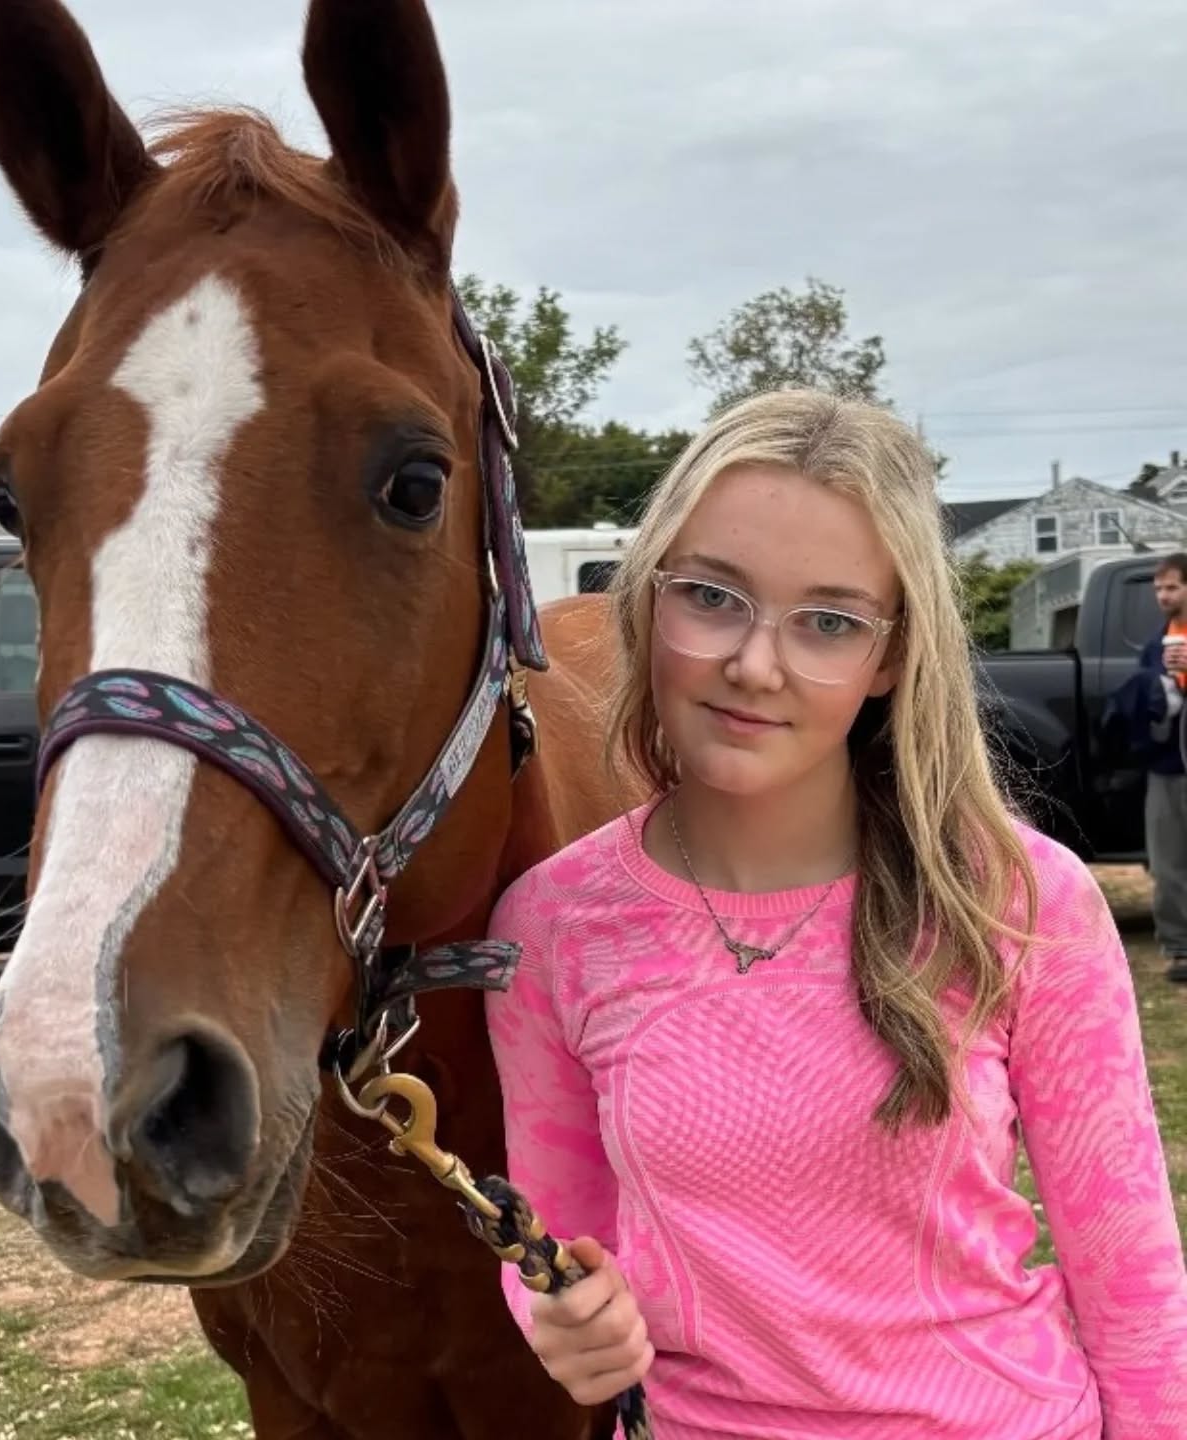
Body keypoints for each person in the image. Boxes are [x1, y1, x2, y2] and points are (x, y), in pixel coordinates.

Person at [485, 389, 1187, 1440]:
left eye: (829, 621)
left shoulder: (1021, 902)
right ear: (647, 596)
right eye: (712, 597)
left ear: (893, 655)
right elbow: (562, 1239)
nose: (755, 664)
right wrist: (562, 1315)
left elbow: (1132, 1281)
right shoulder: (552, 926)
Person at [1138, 552, 1187, 983]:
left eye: (1172, 587)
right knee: (1168, 860)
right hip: (1168, 767)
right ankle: (1180, 949)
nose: (1163, 596)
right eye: (1159, 588)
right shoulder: (1157, 645)